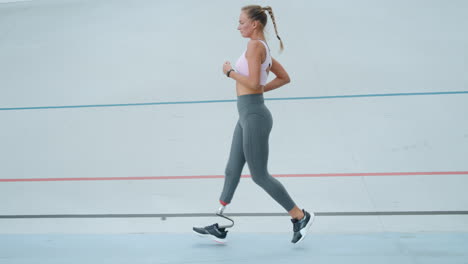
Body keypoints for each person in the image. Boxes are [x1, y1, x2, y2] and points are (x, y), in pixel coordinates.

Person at [193, 5, 314, 244]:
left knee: (259, 175)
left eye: (241, 22)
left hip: (255, 116)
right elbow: (283, 78)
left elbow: (252, 83)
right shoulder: (263, 48)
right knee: (232, 169)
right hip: (248, 113)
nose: (238, 26)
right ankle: (219, 221)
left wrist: (229, 73)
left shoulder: (254, 46)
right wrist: (258, 91)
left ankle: (299, 216)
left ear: (254, 24)